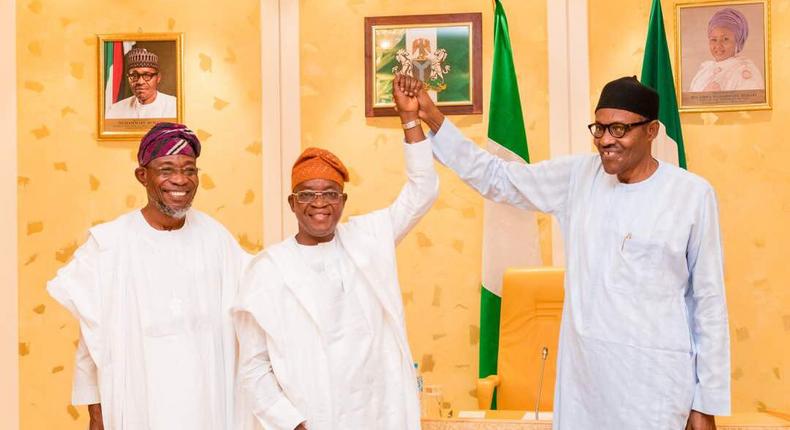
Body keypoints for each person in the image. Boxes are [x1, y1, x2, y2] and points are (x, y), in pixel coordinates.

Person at [399, 75, 730, 430]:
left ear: (651, 131)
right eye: (599, 129)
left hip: (655, 388)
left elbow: (708, 302)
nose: (605, 140)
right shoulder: (578, 177)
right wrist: (432, 116)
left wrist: (704, 403)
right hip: (586, 387)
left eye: (619, 130)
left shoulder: (692, 195)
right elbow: (498, 177)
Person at [232, 74, 438, 430]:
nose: (319, 204)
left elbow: (423, 190)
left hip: (378, 416)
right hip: (312, 421)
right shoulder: (267, 270)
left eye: (329, 193)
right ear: (292, 204)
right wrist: (292, 423)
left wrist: (409, 120)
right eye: (307, 194)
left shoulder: (369, 238)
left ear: (342, 201)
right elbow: (253, 368)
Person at [48, 123, 250, 429]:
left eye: (190, 170)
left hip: (207, 404)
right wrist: (96, 412)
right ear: (142, 175)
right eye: (166, 169)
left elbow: (258, 304)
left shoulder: (216, 239)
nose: (180, 180)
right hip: (137, 403)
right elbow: (91, 342)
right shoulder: (108, 244)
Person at [689, 7, 764, 92]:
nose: (718, 45)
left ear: (738, 41)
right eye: (713, 39)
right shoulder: (704, 70)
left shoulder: (745, 71)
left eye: (725, 39)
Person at [106, 47, 177, 119]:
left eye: (147, 75)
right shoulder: (115, 110)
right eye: (134, 75)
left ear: (158, 77)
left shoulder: (175, 107)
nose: (140, 82)